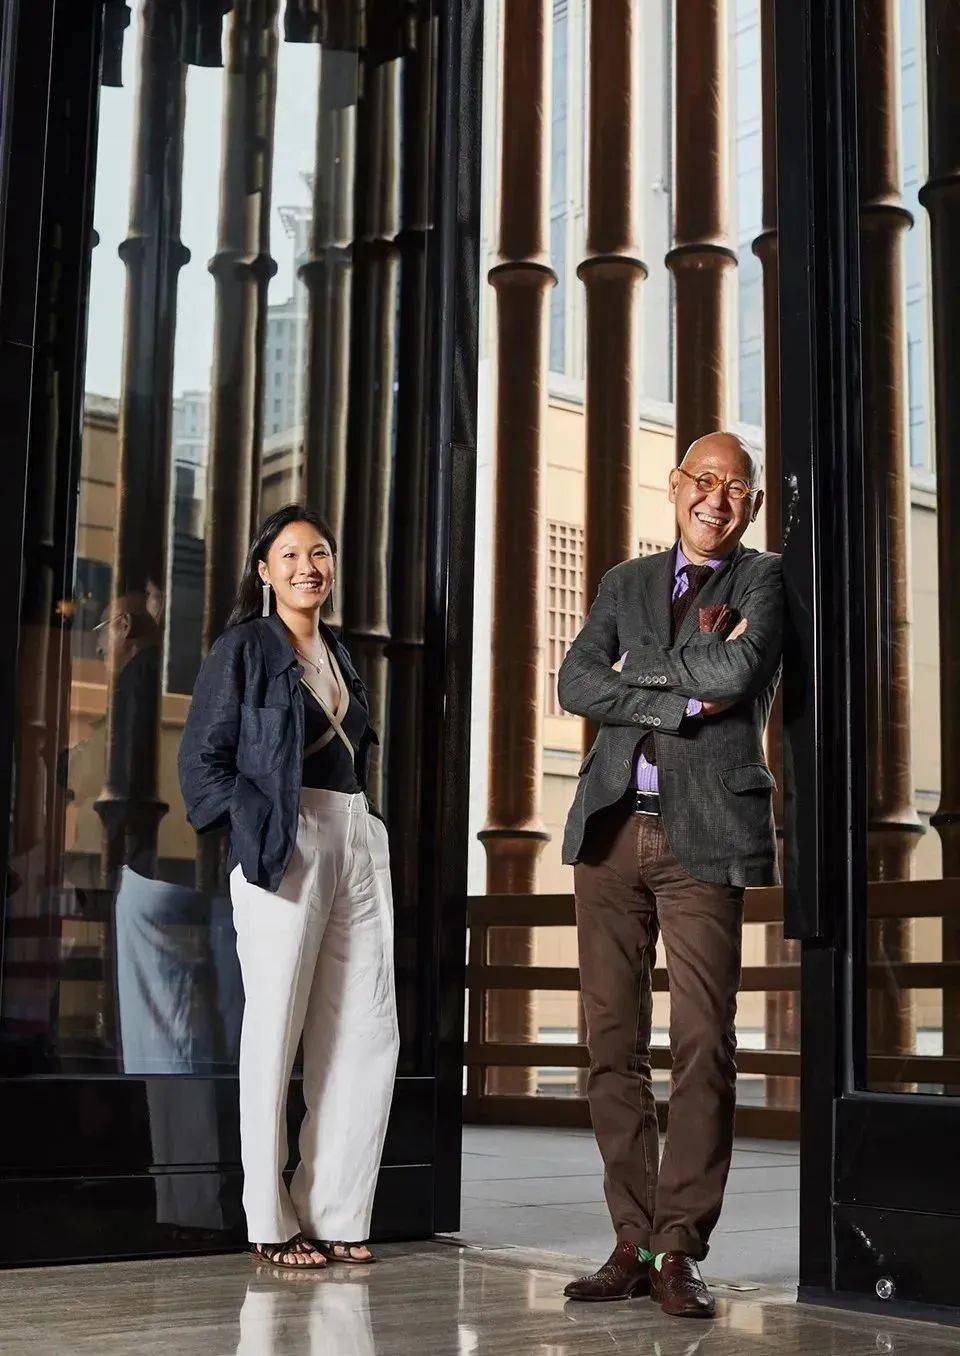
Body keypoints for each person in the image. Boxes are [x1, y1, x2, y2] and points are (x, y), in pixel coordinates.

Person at [558, 432, 783, 1319]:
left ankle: (679, 1246)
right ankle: (634, 1240)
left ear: (751, 505)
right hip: (612, 827)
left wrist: (638, 676)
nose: (717, 499)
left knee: (703, 1043)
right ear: (675, 484)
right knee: (611, 1045)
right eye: (704, 480)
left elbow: (740, 669)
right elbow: (577, 682)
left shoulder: (763, 580)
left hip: (708, 833)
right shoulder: (625, 582)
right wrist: (686, 687)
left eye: (736, 488)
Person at [178, 504, 399, 1270]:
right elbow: (201, 769)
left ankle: (336, 1208)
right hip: (285, 837)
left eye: (320, 553)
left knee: (366, 1028)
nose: (309, 567)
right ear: (264, 570)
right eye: (292, 555)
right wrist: (261, 824)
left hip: (355, 830)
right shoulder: (242, 649)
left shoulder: (338, 652)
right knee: (276, 1026)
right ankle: (270, 1219)